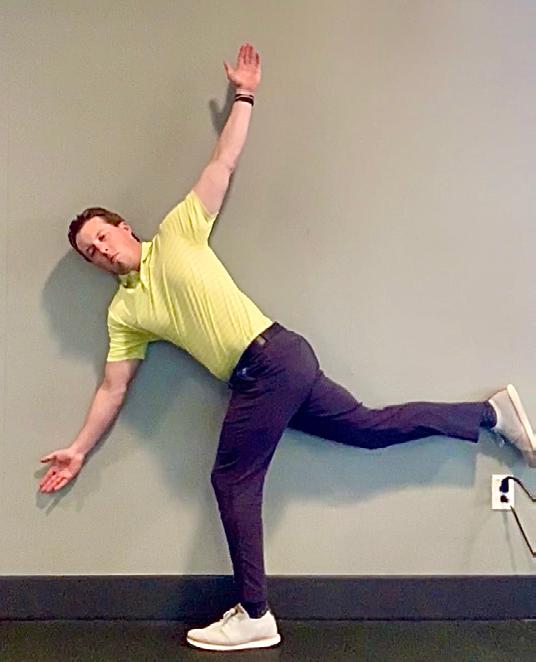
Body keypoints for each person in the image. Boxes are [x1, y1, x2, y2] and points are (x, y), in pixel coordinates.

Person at [38, 43, 536, 652]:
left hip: (270, 360)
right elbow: (113, 387)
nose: (101, 251)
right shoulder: (125, 313)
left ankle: (255, 614)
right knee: (367, 429)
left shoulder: (178, 233)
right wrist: (79, 450)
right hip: (273, 370)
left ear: (122, 227)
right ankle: (489, 415)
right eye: (90, 253)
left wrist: (245, 95)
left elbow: (222, 163)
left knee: (231, 481)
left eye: (102, 237)